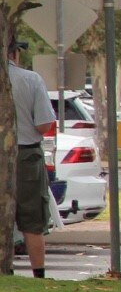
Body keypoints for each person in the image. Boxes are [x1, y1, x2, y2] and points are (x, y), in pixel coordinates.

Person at [8, 39, 56, 278]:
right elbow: (44, 124)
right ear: (14, 53)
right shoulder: (30, 79)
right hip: (26, 154)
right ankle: (38, 274)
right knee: (32, 219)